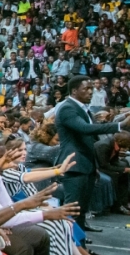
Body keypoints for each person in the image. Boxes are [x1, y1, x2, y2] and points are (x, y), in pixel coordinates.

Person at [55, 75, 129, 230]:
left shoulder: (83, 109)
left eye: (91, 89)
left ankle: (80, 248)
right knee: (72, 209)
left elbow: (94, 132)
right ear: (74, 91)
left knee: (81, 210)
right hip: (74, 164)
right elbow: (85, 129)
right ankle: (69, 248)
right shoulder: (68, 108)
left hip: (85, 164)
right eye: (86, 89)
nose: (91, 92)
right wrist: (119, 125)